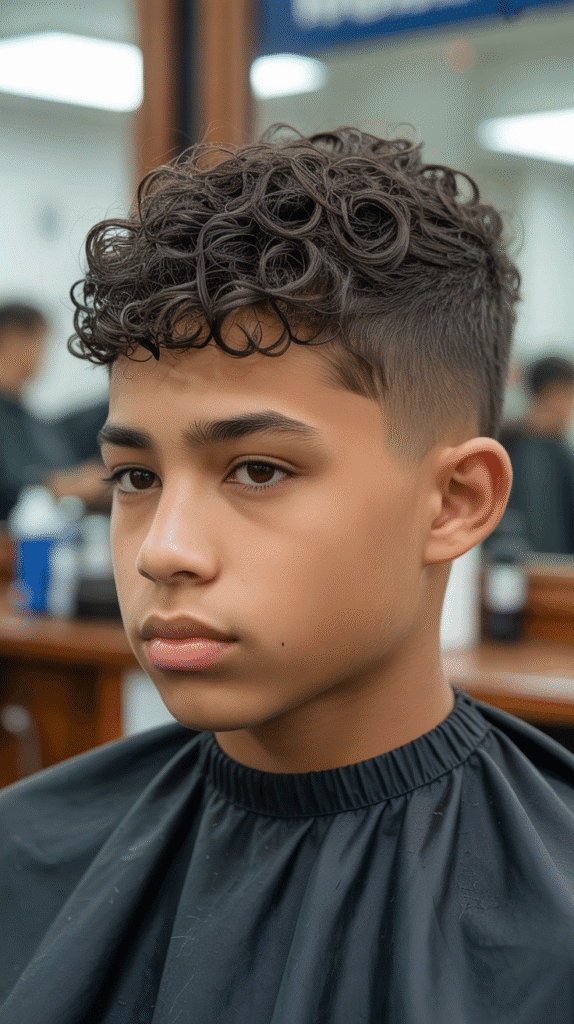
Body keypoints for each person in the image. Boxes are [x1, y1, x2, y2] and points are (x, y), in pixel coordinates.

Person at [1, 125, 574, 1024]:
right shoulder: (22, 856)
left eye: (257, 470)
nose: (162, 550)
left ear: (457, 501)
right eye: (135, 478)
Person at [0, 301, 110, 521]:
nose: (45, 355)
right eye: (42, 342)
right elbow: (14, 485)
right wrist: (65, 485)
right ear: (15, 341)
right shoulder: (11, 423)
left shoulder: (32, 421)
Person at [498, 354, 574, 554]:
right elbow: (541, 533)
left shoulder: (519, 445)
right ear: (555, 393)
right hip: (545, 576)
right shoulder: (534, 455)